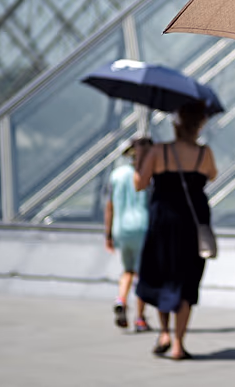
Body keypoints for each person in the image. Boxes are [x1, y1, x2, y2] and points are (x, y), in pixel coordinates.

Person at [134, 101, 218, 361]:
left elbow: (140, 183)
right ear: (198, 126)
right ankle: (179, 344)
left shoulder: (160, 151)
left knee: (161, 276)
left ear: (176, 124)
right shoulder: (205, 153)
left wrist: (141, 157)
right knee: (186, 281)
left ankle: (164, 333)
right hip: (192, 225)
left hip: (163, 222)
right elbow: (211, 175)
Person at [106, 137, 153, 331]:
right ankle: (140, 317)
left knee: (127, 270)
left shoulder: (116, 175)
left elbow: (109, 206)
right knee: (143, 274)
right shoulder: (147, 176)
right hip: (142, 226)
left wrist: (107, 234)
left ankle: (121, 299)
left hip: (120, 227)